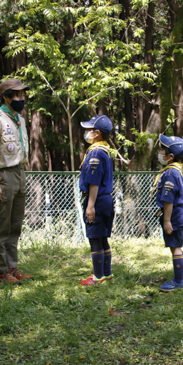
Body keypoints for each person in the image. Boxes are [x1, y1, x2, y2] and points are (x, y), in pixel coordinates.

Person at [0, 79, 32, 285]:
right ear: (6, 97)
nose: (21, 98)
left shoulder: (18, 118)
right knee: (1, 226)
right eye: (16, 95)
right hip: (4, 176)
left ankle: (11, 267)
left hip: (19, 173)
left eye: (22, 94)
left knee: (15, 226)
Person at [79, 115, 115, 286]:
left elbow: (94, 182)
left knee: (95, 239)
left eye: (89, 129)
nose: (86, 132)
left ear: (97, 133)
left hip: (97, 200)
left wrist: (90, 206)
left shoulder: (96, 153)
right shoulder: (105, 150)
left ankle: (97, 277)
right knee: (102, 238)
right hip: (106, 199)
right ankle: (106, 275)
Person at [151, 135, 183, 292]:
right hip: (178, 213)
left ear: (171, 156)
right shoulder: (174, 170)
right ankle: (180, 277)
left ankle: (179, 281)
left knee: (175, 248)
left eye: (163, 150)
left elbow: (168, 200)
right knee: (177, 246)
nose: (160, 152)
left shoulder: (170, 174)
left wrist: (167, 221)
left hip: (174, 215)